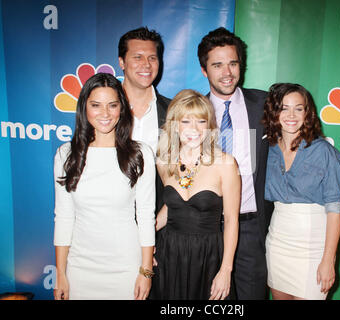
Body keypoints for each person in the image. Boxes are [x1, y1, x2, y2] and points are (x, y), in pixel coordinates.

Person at [53, 73, 156, 300]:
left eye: (112, 105)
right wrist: (61, 273)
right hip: (80, 268)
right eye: (96, 105)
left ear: (122, 109)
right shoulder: (66, 154)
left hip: (126, 267)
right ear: (84, 108)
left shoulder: (140, 154)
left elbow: (147, 216)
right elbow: (63, 217)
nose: (105, 113)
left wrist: (145, 272)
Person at [197, 27, 272, 299]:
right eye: (217, 65)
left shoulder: (265, 104)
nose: (227, 72)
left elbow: (297, 140)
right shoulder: (190, 113)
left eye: (233, 63)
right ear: (204, 70)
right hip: (207, 230)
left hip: (251, 228)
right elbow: (175, 175)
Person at [152, 89, 240, 300]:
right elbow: (172, 208)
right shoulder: (164, 162)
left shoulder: (226, 163)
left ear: (209, 125)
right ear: (174, 125)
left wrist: (225, 270)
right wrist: (146, 243)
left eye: (201, 121)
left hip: (208, 256)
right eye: (185, 122)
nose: (194, 129)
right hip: (170, 253)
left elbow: (231, 220)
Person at [263, 83, 340, 300]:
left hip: (313, 247)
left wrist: (329, 260)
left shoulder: (323, 151)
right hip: (278, 243)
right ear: (274, 112)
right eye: (284, 108)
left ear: (307, 113)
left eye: (298, 108)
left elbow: (336, 208)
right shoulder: (266, 149)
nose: (291, 115)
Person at [118, 26, 171, 212]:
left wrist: (165, 215)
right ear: (122, 62)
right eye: (137, 57)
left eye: (152, 58)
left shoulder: (173, 111)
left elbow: (188, 171)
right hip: (109, 221)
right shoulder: (102, 111)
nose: (146, 65)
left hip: (160, 223)